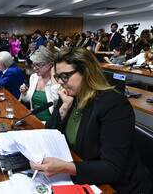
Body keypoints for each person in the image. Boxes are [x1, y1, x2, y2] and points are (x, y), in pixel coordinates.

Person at [30, 48, 152, 193]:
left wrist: (65, 167)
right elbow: (49, 132)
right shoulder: (71, 96)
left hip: (118, 186)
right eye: (57, 77)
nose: (61, 82)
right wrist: (63, 108)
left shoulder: (114, 104)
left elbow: (112, 168)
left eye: (65, 76)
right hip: (84, 169)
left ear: (86, 72)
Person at [19, 50, 59, 124]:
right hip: (34, 120)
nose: (34, 68)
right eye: (33, 65)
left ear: (50, 65)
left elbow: (56, 101)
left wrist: (53, 74)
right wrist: (24, 93)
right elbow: (27, 100)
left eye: (38, 65)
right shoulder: (34, 77)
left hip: (49, 123)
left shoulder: (57, 81)